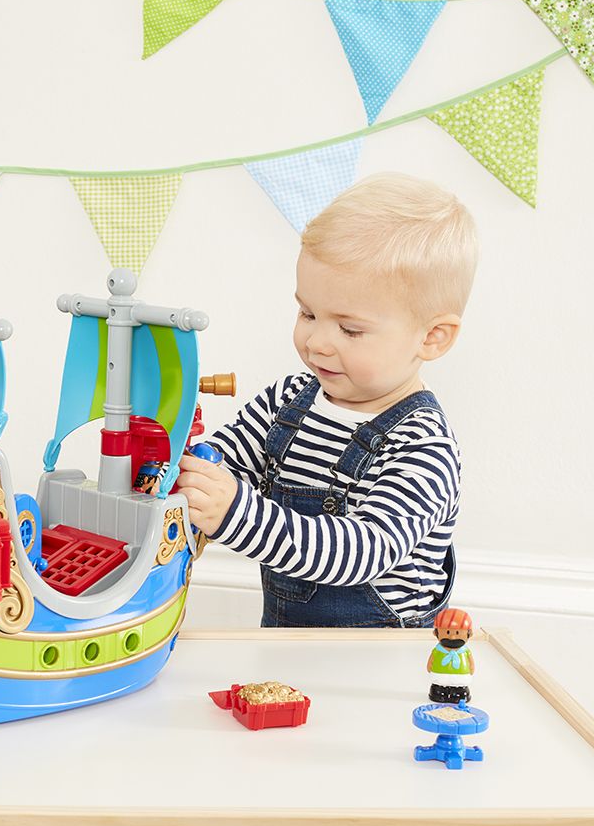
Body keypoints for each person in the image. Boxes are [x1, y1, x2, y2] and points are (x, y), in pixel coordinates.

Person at [175, 172, 476, 628]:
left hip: (377, 659)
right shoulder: (288, 401)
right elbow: (225, 463)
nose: (317, 342)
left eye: (350, 329)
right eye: (307, 313)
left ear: (432, 338)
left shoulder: (423, 447)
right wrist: (185, 466)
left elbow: (359, 552)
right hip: (287, 639)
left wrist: (234, 511)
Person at [427, 607, 475, 703]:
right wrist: (429, 666)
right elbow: (431, 660)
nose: (452, 637)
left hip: (461, 676)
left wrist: (471, 667)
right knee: (439, 687)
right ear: (436, 633)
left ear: (469, 634)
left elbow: (471, 662)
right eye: (447, 632)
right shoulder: (437, 650)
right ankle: (439, 690)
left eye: (457, 633)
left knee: (460, 690)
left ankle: (459, 691)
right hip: (439, 674)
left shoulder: (465, 652)